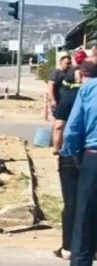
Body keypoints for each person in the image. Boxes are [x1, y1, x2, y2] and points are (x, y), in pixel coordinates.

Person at [60, 60, 97, 265]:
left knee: (85, 216)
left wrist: (71, 154)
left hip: (93, 156)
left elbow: (72, 129)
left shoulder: (89, 89)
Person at [53, 62, 90, 260]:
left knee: (71, 203)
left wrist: (56, 151)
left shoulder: (71, 97)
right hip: (92, 153)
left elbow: (60, 127)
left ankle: (68, 247)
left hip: (71, 155)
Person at [48, 55, 73, 121]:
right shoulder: (56, 73)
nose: (69, 65)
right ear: (61, 63)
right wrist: (53, 100)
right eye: (67, 63)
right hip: (57, 101)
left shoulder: (68, 73)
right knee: (58, 121)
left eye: (70, 63)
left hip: (64, 101)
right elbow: (50, 87)